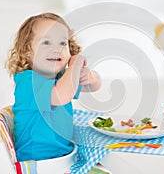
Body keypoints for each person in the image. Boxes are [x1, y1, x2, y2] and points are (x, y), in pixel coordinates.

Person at [6, 12, 101, 161]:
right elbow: (61, 96)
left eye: (63, 43)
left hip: (62, 157)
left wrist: (91, 77)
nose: (56, 49)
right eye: (46, 42)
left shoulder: (62, 79)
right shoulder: (27, 81)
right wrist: (75, 64)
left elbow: (92, 87)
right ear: (27, 51)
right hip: (37, 160)